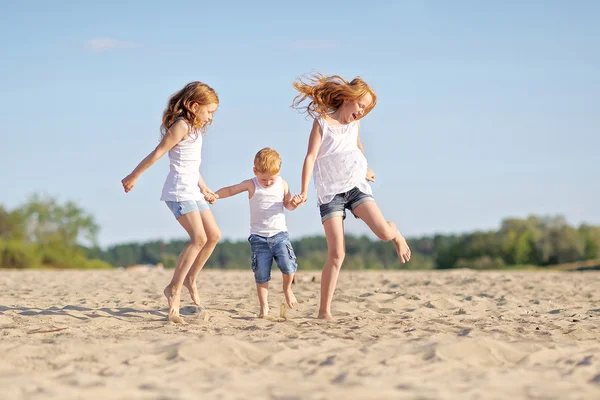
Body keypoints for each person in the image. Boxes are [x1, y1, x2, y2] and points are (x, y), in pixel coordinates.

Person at [290, 73, 412, 320]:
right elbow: (310, 158)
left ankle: (395, 233)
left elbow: (357, 148)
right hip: (329, 193)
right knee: (337, 254)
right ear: (348, 98)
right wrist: (303, 191)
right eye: (360, 105)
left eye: (366, 110)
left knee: (384, 233)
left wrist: (363, 167)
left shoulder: (355, 125)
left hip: (356, 187)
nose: (361, 112)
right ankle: (324, 311)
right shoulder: (322, 123)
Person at [121, 81, 221, 323]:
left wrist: (204, 188)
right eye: (209, 112)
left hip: (193, 191)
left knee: (214, 236)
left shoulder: (196, 130)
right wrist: (134, 175)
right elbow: (158, 152)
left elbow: (191, 165)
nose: (210, 118)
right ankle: (174, 288)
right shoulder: (181, 126)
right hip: (178, 192)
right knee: (198, 238)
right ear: (194, 106)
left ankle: (190, 279)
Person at [208, 148, 299, 318]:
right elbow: (230, 190)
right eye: (264, 179)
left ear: (278, 173)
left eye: (272, 179)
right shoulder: (251, 184)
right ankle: (264, 307)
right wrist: (215, 195)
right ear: (255, 171)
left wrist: (294, 203)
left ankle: (287, 290)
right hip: (259, 238)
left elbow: (288, 205)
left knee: (288, 266)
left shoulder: (282, 184)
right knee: (261, 274)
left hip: (280, 235)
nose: (268, 183)